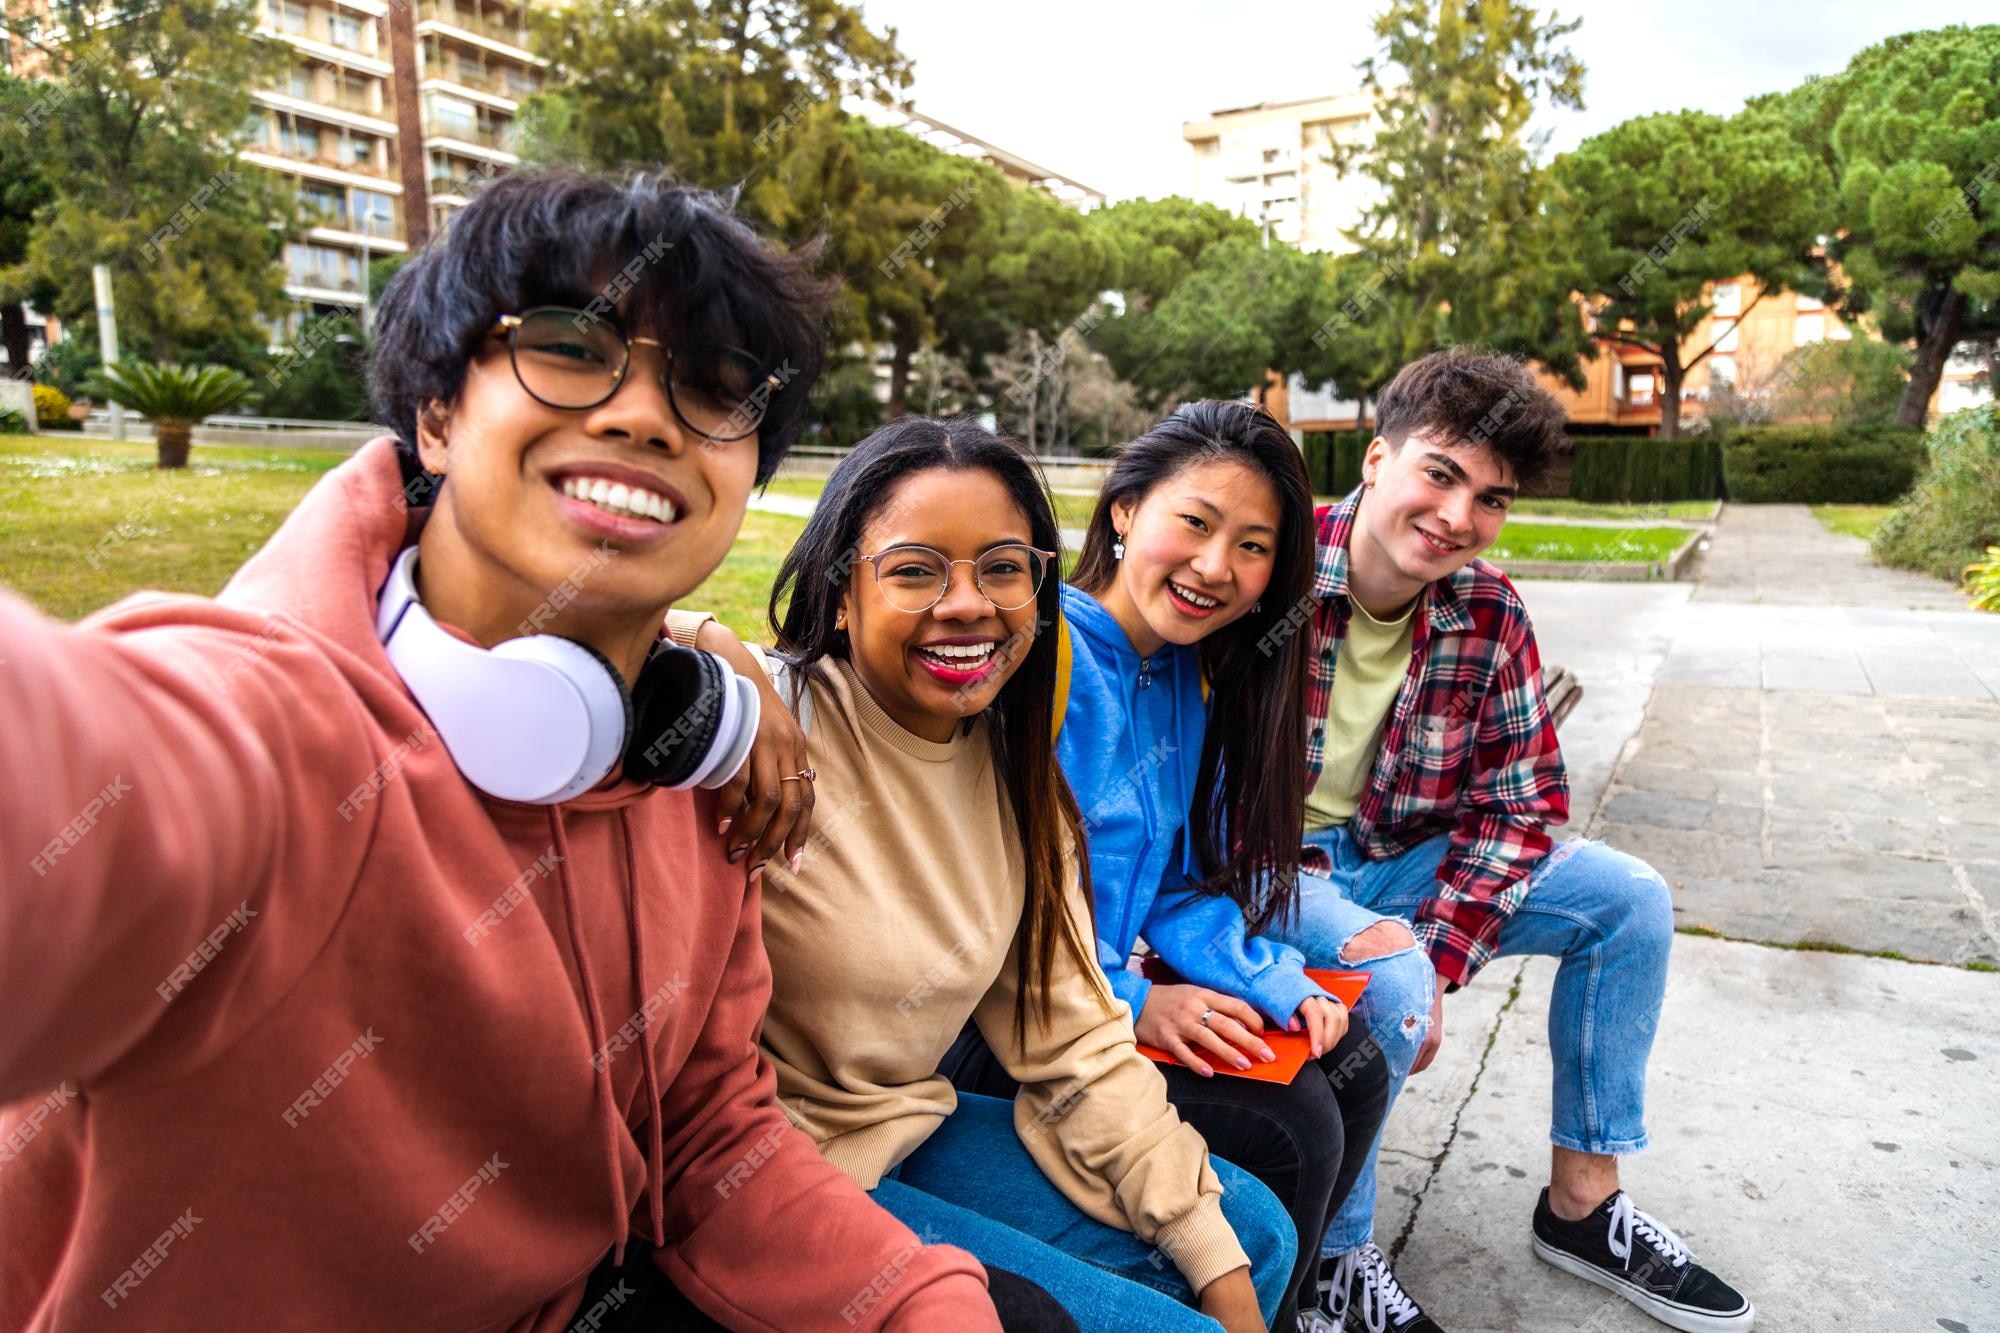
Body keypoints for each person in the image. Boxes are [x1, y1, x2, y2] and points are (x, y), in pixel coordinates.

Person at [0, 168, 1040, 1330]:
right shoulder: (269, 727)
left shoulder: (694, 761)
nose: (645, 415)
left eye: (710, 387)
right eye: (568, 346)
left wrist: (916, 1306)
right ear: (436, 413)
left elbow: (702, 1129)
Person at [670, 416, 1296, 1332]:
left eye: (1003, 568)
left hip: (902, 1127)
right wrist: (710, 641)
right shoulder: (763, 727)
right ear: (842, 592)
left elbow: (1075, 1035)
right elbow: (561, 641)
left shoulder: (1016, 775)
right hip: (765, 1166)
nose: (968, 604)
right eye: (917, 569)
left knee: (1253, 1238)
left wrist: (1204, 1242)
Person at [1263, 347, 1755, 1333]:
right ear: (1373, 459)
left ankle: (1581, 1203)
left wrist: (1440, 950)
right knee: (1389, 985)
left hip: (1402, 857)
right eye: (1438, 474)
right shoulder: (1265, 575)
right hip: (1274, 873)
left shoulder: (1486, 610)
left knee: (1628, 900)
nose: (1457, 516)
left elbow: (1518, 804)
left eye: (1489, 498)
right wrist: (1406, 965)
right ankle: (1332, 1262)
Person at [935, 401, 1396, 1331]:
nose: (1216, 566)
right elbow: (999, 906)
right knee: (1294, 1124)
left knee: (1354, 1060)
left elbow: (1179, 882)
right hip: (1006, 1028)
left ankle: (1291, 1303)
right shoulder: (1041, 658)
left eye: (1255, 545)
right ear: (1123, 511)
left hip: (1091, 1003)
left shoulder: (1188, 675)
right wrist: (1140, 1003)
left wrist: (1268, 978)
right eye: (1195, 521)